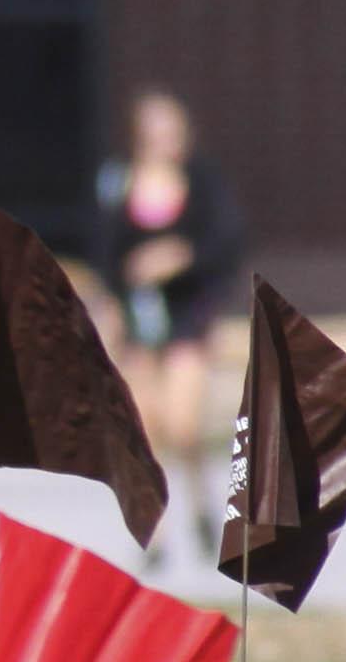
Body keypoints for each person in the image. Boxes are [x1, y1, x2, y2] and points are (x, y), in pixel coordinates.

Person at [92, 88, 249, 549]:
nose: (171, 140)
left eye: (177, 130)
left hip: (187, 315)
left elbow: (226, 242)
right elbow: (105, 251)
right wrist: (111, 304)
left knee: (183, 423)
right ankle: (156, 528)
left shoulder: (203, 182)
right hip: (138, 316)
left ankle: (200, 499)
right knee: (146, 424)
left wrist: (182, 257)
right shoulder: (118, 182)